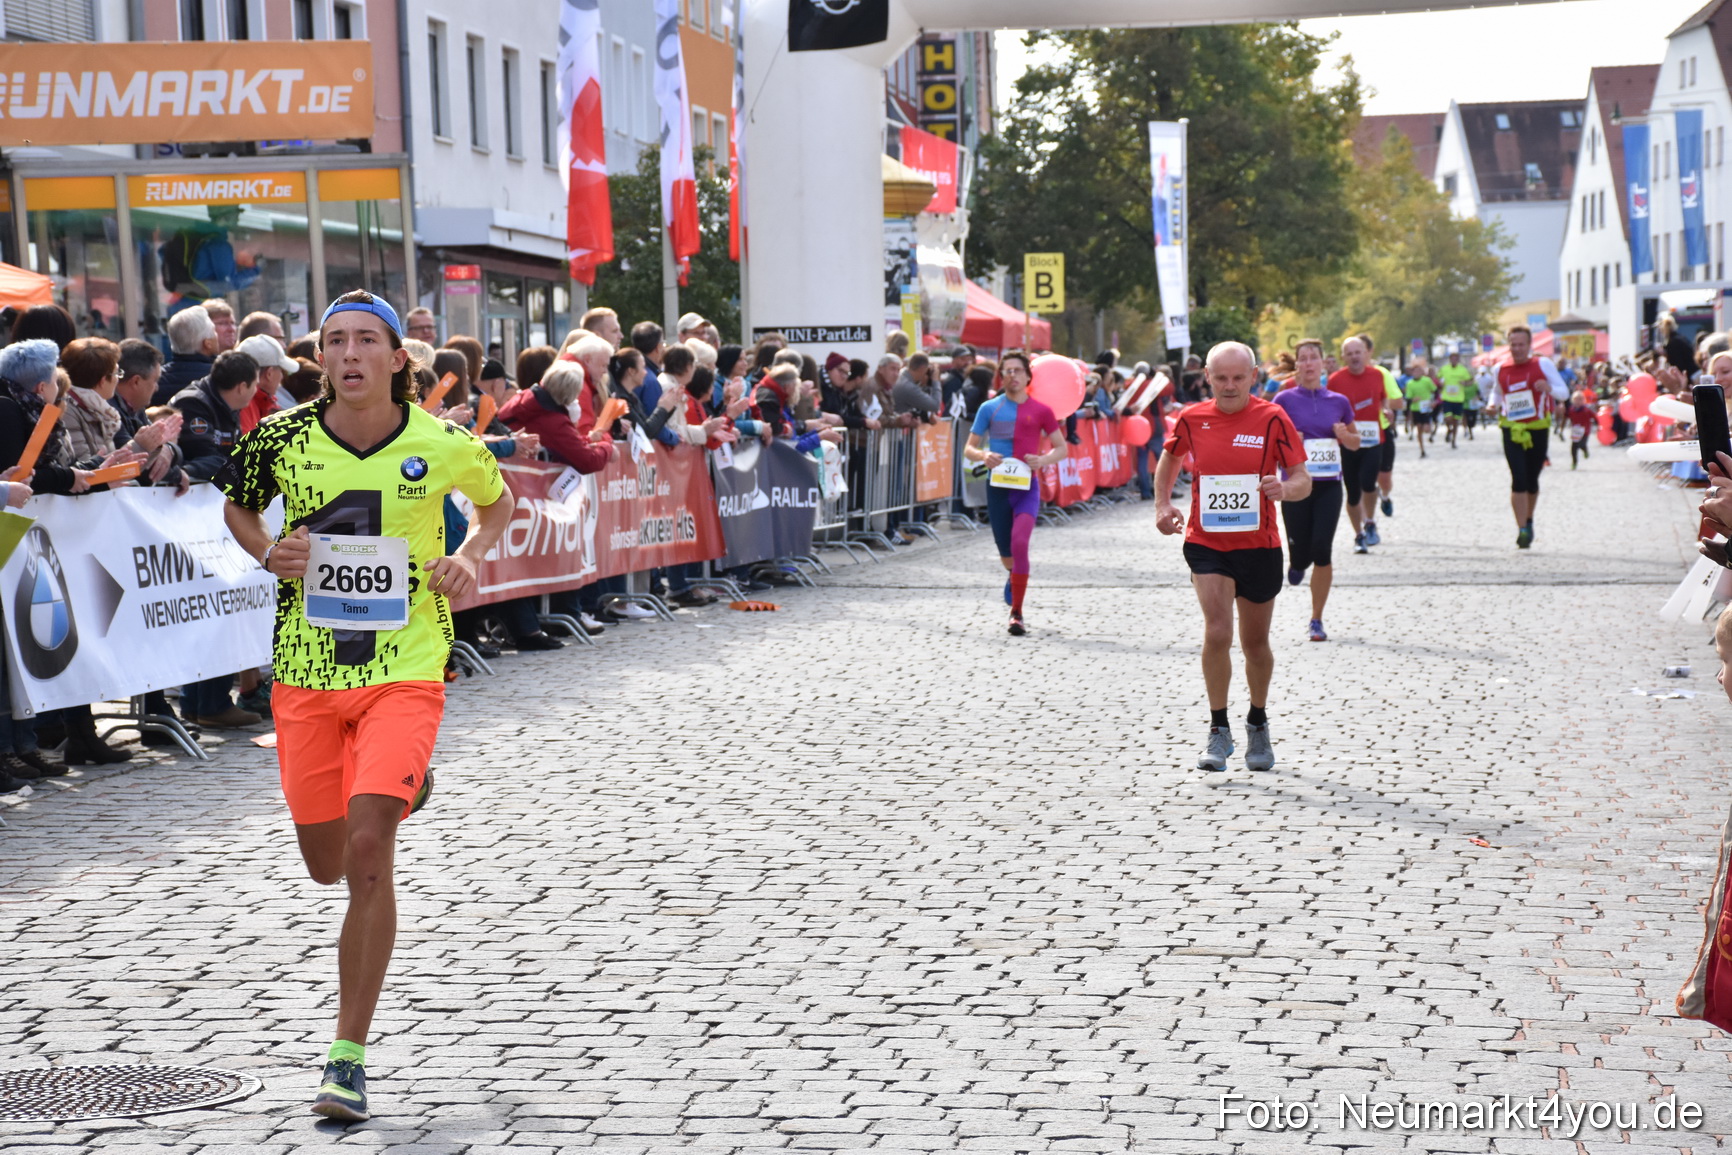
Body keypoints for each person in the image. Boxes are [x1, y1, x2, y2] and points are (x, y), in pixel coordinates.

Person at [217, 290, 512, 1123]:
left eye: (365, 341)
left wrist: (469, 555)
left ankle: (346, 1056)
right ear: (321, 359)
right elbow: (236, 503)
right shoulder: (277, 437)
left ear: (395, 357)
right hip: (306, 672)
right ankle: (397, 785)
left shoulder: (443, 442)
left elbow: (499, 504)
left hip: (406, 663)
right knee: (327, 863)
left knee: (369, 846)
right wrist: (268, 548)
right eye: (334, 341)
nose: (349, 354)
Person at [1155, 341, 1310, 772]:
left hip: (1259, 546)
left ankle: (1257, 721)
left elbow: (1302, 478)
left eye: (1238, 377)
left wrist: (1286, 490)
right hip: (1207, 541)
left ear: (1253, 376)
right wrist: (1163, 505)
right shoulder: (1192, 418)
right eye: (1220, 377)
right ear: (1207, 376)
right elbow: (1168, 461)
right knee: (1218, 630)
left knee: (1254, 643)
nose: (1229, 385)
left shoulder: (1272, 418)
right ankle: (1218, 728)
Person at [961, 351, 1068, 636]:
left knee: (1020, 544)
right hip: (997, 489)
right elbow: (969, 448)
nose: (1013, 375)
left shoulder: (1042, 410)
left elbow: (1062, 448)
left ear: (1028, 376)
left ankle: (1016, 613)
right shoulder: (990, 408)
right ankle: (1013, 574)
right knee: (1006, 551)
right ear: (1001, 375)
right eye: (1007, 371)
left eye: (1017, 370)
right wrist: (984, 455)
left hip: (1026, 489)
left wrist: (1042, 460)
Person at [1272, 339, 1361, 642]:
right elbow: (1269, 443)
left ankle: (1316, 619)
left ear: (1324, 364)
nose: (1309, 363)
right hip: (1295, 486)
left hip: (1328, 486)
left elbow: (1356, 443)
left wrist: (1343, 434)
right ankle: (1296, 563)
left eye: (1314, 358)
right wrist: (1289, 441)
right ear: (1297, 365)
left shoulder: (1339, 401)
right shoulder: (1283, 401)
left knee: (1322, 549)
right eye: (1304, 359)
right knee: (1300, 554)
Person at [1484, 325, 1568, 549]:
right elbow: (1497, 392)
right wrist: (1493, 405)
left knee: (1532, 479)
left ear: (1529, 346)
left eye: (1521, 345)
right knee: (1518, 478)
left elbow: (1564, 392)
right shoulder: (1500, 368)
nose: (1517, 349)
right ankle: (1521, 528)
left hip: (1538, 427)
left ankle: (1529, 520)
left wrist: (1549, 388)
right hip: (1511, 427)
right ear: (1508, 345)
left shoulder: (1543, 364)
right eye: (1513, 344)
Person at [1326, 336, 1388, 554]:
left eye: (1358, 352)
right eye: (1349, 353)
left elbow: (1382, 400)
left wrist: (1386, 410)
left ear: (1366, 353)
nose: (1354, 356)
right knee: (1352, 492)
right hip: (1347, 443)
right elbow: (1330, 408)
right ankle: (1358, 534)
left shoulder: (1377, 375)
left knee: (1368, 483)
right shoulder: (1335, 379)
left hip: (1373, 440)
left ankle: (1370, 521)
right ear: (1343, 356)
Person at [154, 306, 220, 405]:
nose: (217, 335)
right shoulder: (220, 377)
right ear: (207, 343)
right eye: (214, 331)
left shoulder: (156, 380)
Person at [1437, 351, 1472, 448]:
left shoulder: (1463, 370)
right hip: (1447, 397)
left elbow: (1470, 380)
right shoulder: (1444, 369)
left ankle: (1453, 440)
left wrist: (1465, 383)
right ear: (1450, 359)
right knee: (1448, 418)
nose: (1454, 360)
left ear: (1458, 360)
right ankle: (1449, 429)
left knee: (1456, 421)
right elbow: (1438, 379)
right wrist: (1441, 383)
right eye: (1452, 358)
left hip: (1458, 398)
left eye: (1456, 359)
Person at [1403, 360, 1436, 458]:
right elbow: (1408, 397)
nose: (1416, 373)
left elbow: (1435, 391)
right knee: (1419, 429)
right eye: (1415, 371)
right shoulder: (1410, 383)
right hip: (1416, 408)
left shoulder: (1427, 381)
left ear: (1422, 372)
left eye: (1418, 371)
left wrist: (1434, 402)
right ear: (1412, 373)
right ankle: (1422, 449)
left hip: (1426, 407)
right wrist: (1413, 399)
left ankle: (1430, 433)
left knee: (1426, 428)